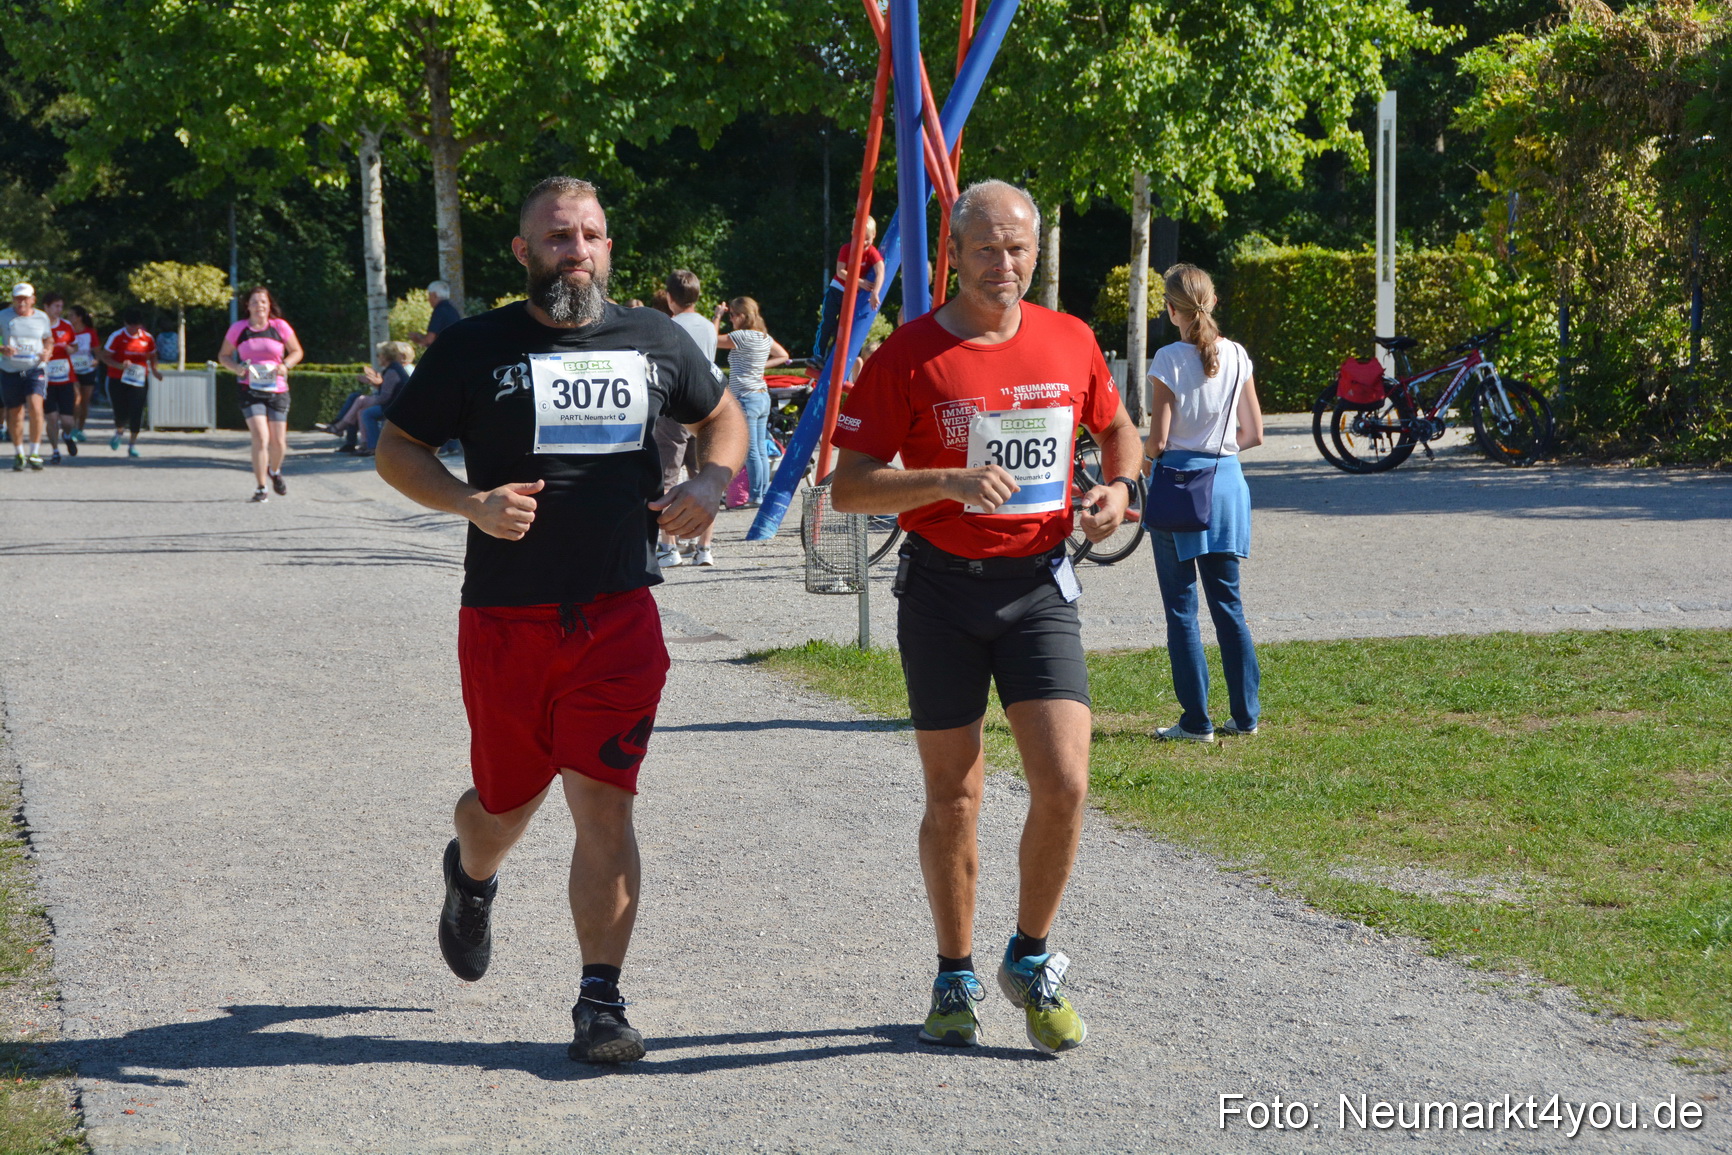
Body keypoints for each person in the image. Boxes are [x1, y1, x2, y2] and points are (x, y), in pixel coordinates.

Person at [374, 175, 745, 1065]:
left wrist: (708, 480)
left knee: (605, 807)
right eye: (556, 237)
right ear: (524, 251)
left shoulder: (655, 339)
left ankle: (600, 1002)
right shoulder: (473, 345)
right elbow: (397, 448)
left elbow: (722, 415)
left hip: (619, 615)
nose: (573, 250)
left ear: (608, 248)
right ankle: (471, 875)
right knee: (504, 805)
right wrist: (470, 502)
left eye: (588, 236)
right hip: (506, 619)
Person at [830, 180, 1140, 1055]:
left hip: (1038, 585)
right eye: (988, 249)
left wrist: (1117, 490)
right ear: (955, 254)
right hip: (941, 592)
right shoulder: (911, 355)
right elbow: (848, 484)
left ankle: (1031, 957)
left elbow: (1120, 433)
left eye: (1019, 249)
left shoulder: (1070, 338)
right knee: (954, 794)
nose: (1005, 265)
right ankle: (954, 969)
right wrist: (947, 481)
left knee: (1066, 781)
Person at [1141, 263, 1265, 741]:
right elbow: (1253, 433)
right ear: (1211, 302)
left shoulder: (1169, 358)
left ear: (1172, 310)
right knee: (1228, 605)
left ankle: (1197, 721)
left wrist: (1146, 461)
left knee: (1181, 608)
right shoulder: (1237, 355)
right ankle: (1246, 715)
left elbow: (1159, 439)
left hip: (1181, 488)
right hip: (1228, 484)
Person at [655, 270, 720, 567]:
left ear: (670, 298)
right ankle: (704, 548)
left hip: (674, 409)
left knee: (667, 478)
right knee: (703, 477)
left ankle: (669, 548)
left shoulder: (668, 326)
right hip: (706, 408)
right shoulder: (709, 327)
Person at [218, 286, 304, 501]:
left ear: (269, 305)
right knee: (260, 436)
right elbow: (224, 356)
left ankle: (274, 471)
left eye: (263, 302)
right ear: (247, 306)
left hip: (278, 390)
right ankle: (261, 487)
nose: (259, 306)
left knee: (278, 442)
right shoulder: (239, 328)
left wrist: (286, 365)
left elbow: (297, 351)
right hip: (250, 389)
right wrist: (236, 368)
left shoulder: (280, 327)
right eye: (254, 302)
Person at [713, 295, 789, 513]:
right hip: (762, 395)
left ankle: (757, 495)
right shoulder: (764, 337)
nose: (731, 319)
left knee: (752, 450)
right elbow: (783, 355)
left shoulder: (740, 336)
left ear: (743, 316)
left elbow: (712, 339)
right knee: (760, 450)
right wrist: (761, 366)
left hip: (746, 397)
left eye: (733, 315)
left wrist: (716, 316)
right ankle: (762, 493)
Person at [814, 215, 885, 363]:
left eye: (868, 239)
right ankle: (818, 354)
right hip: (837, 289)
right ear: (853, 234)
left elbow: (881, 270)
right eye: (860, 238)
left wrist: (875, 292)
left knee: (842, 328)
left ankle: (830, 360)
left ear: (874, 236)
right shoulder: (847, 248)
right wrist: (860, 282)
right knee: (828, 322)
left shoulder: (871, 252)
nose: (864, 243)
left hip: (851, 295)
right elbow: (841, 272)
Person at [1, 282, 53, 472]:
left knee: (35, 407)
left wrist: (47, 351)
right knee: (14, 413)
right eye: (17, 298)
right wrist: (2, 349)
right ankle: (19, 453)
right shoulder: (3, 316)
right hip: (10, 370)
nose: (21, 302)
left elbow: (48, 339)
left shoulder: (42, 317)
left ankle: (35, 452)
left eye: (25, 298)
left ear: (33, 299)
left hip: (34, 369)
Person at [97, 306, 162, 458]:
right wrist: (119, 365)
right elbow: (105, 356)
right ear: (125, 324)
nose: (133, 329)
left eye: (136, 326)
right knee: (121, 411)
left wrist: (155, 370)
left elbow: (153, 355)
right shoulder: (117, 336)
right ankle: (119, 430)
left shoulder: (147, 338)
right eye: (130, 326)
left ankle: (132, 444)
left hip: (139, 379)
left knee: (136, 411)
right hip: (117, 378)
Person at [356, 341, 415, 455]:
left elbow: (385, 397)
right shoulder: (394, 368)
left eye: (379, 355)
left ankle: (373, 447)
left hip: (397, 406)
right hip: (396, 404)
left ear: (384, 356)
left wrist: (369, 401)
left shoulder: (392, 370)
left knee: (366, 413)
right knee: (361, 406)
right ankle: (364, 442)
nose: (377, 358)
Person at [41, 293, 77, 462]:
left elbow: (74, 345)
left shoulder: (67, 325)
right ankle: (55, 451)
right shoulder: (38, 325)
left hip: (65, 379)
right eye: (56, 306)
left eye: (61, 306)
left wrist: (71, 349)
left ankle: (67, 435)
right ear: (46, 307)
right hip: (45, 379)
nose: (59, 310)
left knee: (68, 420)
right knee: (52, 417)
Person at [66, 305, 101, 432]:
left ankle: (80, 429)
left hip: (87, 370)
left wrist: (96, 360)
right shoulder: (66, 331)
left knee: (84, 402)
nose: (69, 318)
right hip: (71, 370)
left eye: (71, 315)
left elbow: (97, 351)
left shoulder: (90, 332)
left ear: (79, 317)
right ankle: (73, 427)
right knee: (76, 399)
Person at [410, 280, 463, 348]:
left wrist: (418, 340)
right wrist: (421, 336)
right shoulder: (453, 310)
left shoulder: (439, 310)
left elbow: (429, 340)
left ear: (435, 295)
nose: (428, 299)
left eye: (429, 295)